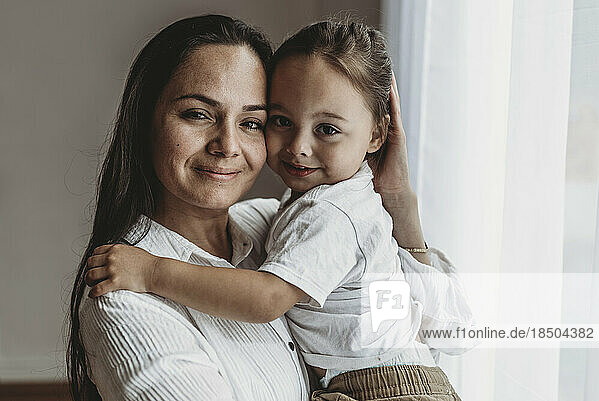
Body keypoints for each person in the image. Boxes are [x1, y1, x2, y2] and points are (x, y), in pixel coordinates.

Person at [82, 18, 473, 401]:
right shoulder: (123, 289)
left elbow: (454, 330)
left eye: (251, 122)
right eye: (198, 114)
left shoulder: (292, 221)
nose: (227, 145)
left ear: (376, 134)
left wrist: (400, 208)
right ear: (144, 119)